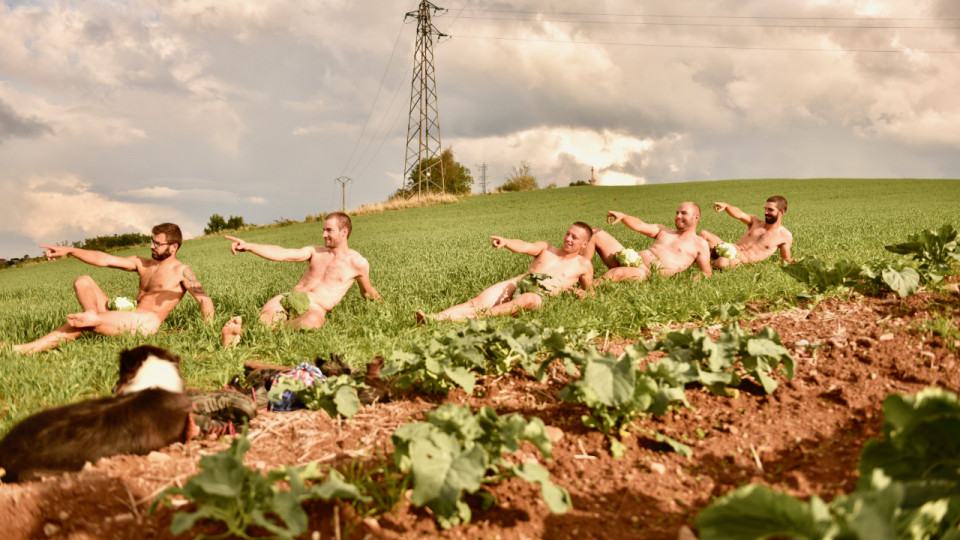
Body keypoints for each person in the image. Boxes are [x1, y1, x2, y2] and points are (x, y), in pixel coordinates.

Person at [10, 223, 214, 354]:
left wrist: (206, 332)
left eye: (157, 243)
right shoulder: (142, 263)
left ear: (173, 247)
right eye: (152, 241)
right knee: (83, 280)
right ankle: (91, 313)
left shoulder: (182, 271)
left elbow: (204, 300)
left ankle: (23, 350)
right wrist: (71, 250)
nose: (152, 246)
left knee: (84, 323)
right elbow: (104, 259)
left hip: (145, 322)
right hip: (127, 315)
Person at [221, 212, 380, 345]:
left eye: (329, 230)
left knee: (314, 321)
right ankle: (236, 335)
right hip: (289, 298)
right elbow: (282, 253)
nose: (323, 234)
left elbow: (367, 292)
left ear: (344, 232)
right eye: (323, 230)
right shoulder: (315, 251)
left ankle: (246, 332)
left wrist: (384, 305)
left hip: (314, 307)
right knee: (266, 317)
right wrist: (249, 246)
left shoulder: (357, 263)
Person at [416, 222, 595, 323]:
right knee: (478, 301)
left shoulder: (583, 265)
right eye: (567, 234)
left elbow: (590, 292)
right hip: (519, 283)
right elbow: (525, 246)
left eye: (574, 237)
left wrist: (583, 294)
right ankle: (433, 319)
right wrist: (506, 242)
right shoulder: (547, 248)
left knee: (528, 299)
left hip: (540, 297)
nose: (568, 239)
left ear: (585, 244)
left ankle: (475, 318)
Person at [582, 202, 713, 282]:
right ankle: (576, 270)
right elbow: (639, 225)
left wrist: (696, 280)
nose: (678, 216)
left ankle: (587, 289)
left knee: (615, 273)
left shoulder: (699, 244)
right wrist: (624, 216)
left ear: (696, 217)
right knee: (594, 233)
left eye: (683, 213)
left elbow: (706, 272)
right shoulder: (664, 230)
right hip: (629, 259)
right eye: (677, 213)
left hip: (644, 274)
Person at [698, 195, 794, 269]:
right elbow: (739, 214)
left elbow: (785, 260)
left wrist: (797, 262)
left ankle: (705, 263)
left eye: (770, 209)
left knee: (722, 262)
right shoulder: (755, 221)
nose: (766, 212)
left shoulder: (784, 235)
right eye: (765, 209)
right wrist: (726, 206)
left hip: (740, 260)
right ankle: (694, 258)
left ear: (781, 212)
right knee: (704, 234)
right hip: (730, 248)